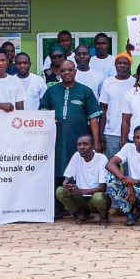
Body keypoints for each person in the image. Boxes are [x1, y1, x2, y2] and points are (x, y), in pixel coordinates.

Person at [39, 60, 102, 202]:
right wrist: (48, 118)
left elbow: (93, 118)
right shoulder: (52, 91)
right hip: (56, 139)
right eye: (63, 70)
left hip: (79, 140)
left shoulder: (85, 91)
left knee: (79, 170)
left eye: (70, 70)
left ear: (75, 71)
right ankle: (58, 206)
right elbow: (43, 110)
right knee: (57, 168)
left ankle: (81, 205)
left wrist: (96, 142)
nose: (67, 73)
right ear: (59, 73)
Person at [56, 134, 111, 225]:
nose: (82, 147)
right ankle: (80, 214)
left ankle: (104, 215)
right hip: (81, 198)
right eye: (79, 144)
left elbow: (103, 187)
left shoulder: (101, 158)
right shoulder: (76, 156)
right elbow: (66, 179)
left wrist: (80, 191)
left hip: (97, 198)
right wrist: (67, 185)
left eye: (85, 144)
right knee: (60, 191)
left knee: (98, 198)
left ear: (93, 145)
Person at [98, 53, 135, 158]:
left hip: (132, 133)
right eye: (119, 63)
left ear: (130, 65)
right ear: (115, 65)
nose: (122, 65)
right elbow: (103, 109)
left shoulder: (136, 82)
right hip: (111, 133)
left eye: (125, 63)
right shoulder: (108, 82)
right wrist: (101, 134)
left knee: (130, 168)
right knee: (111, 168)